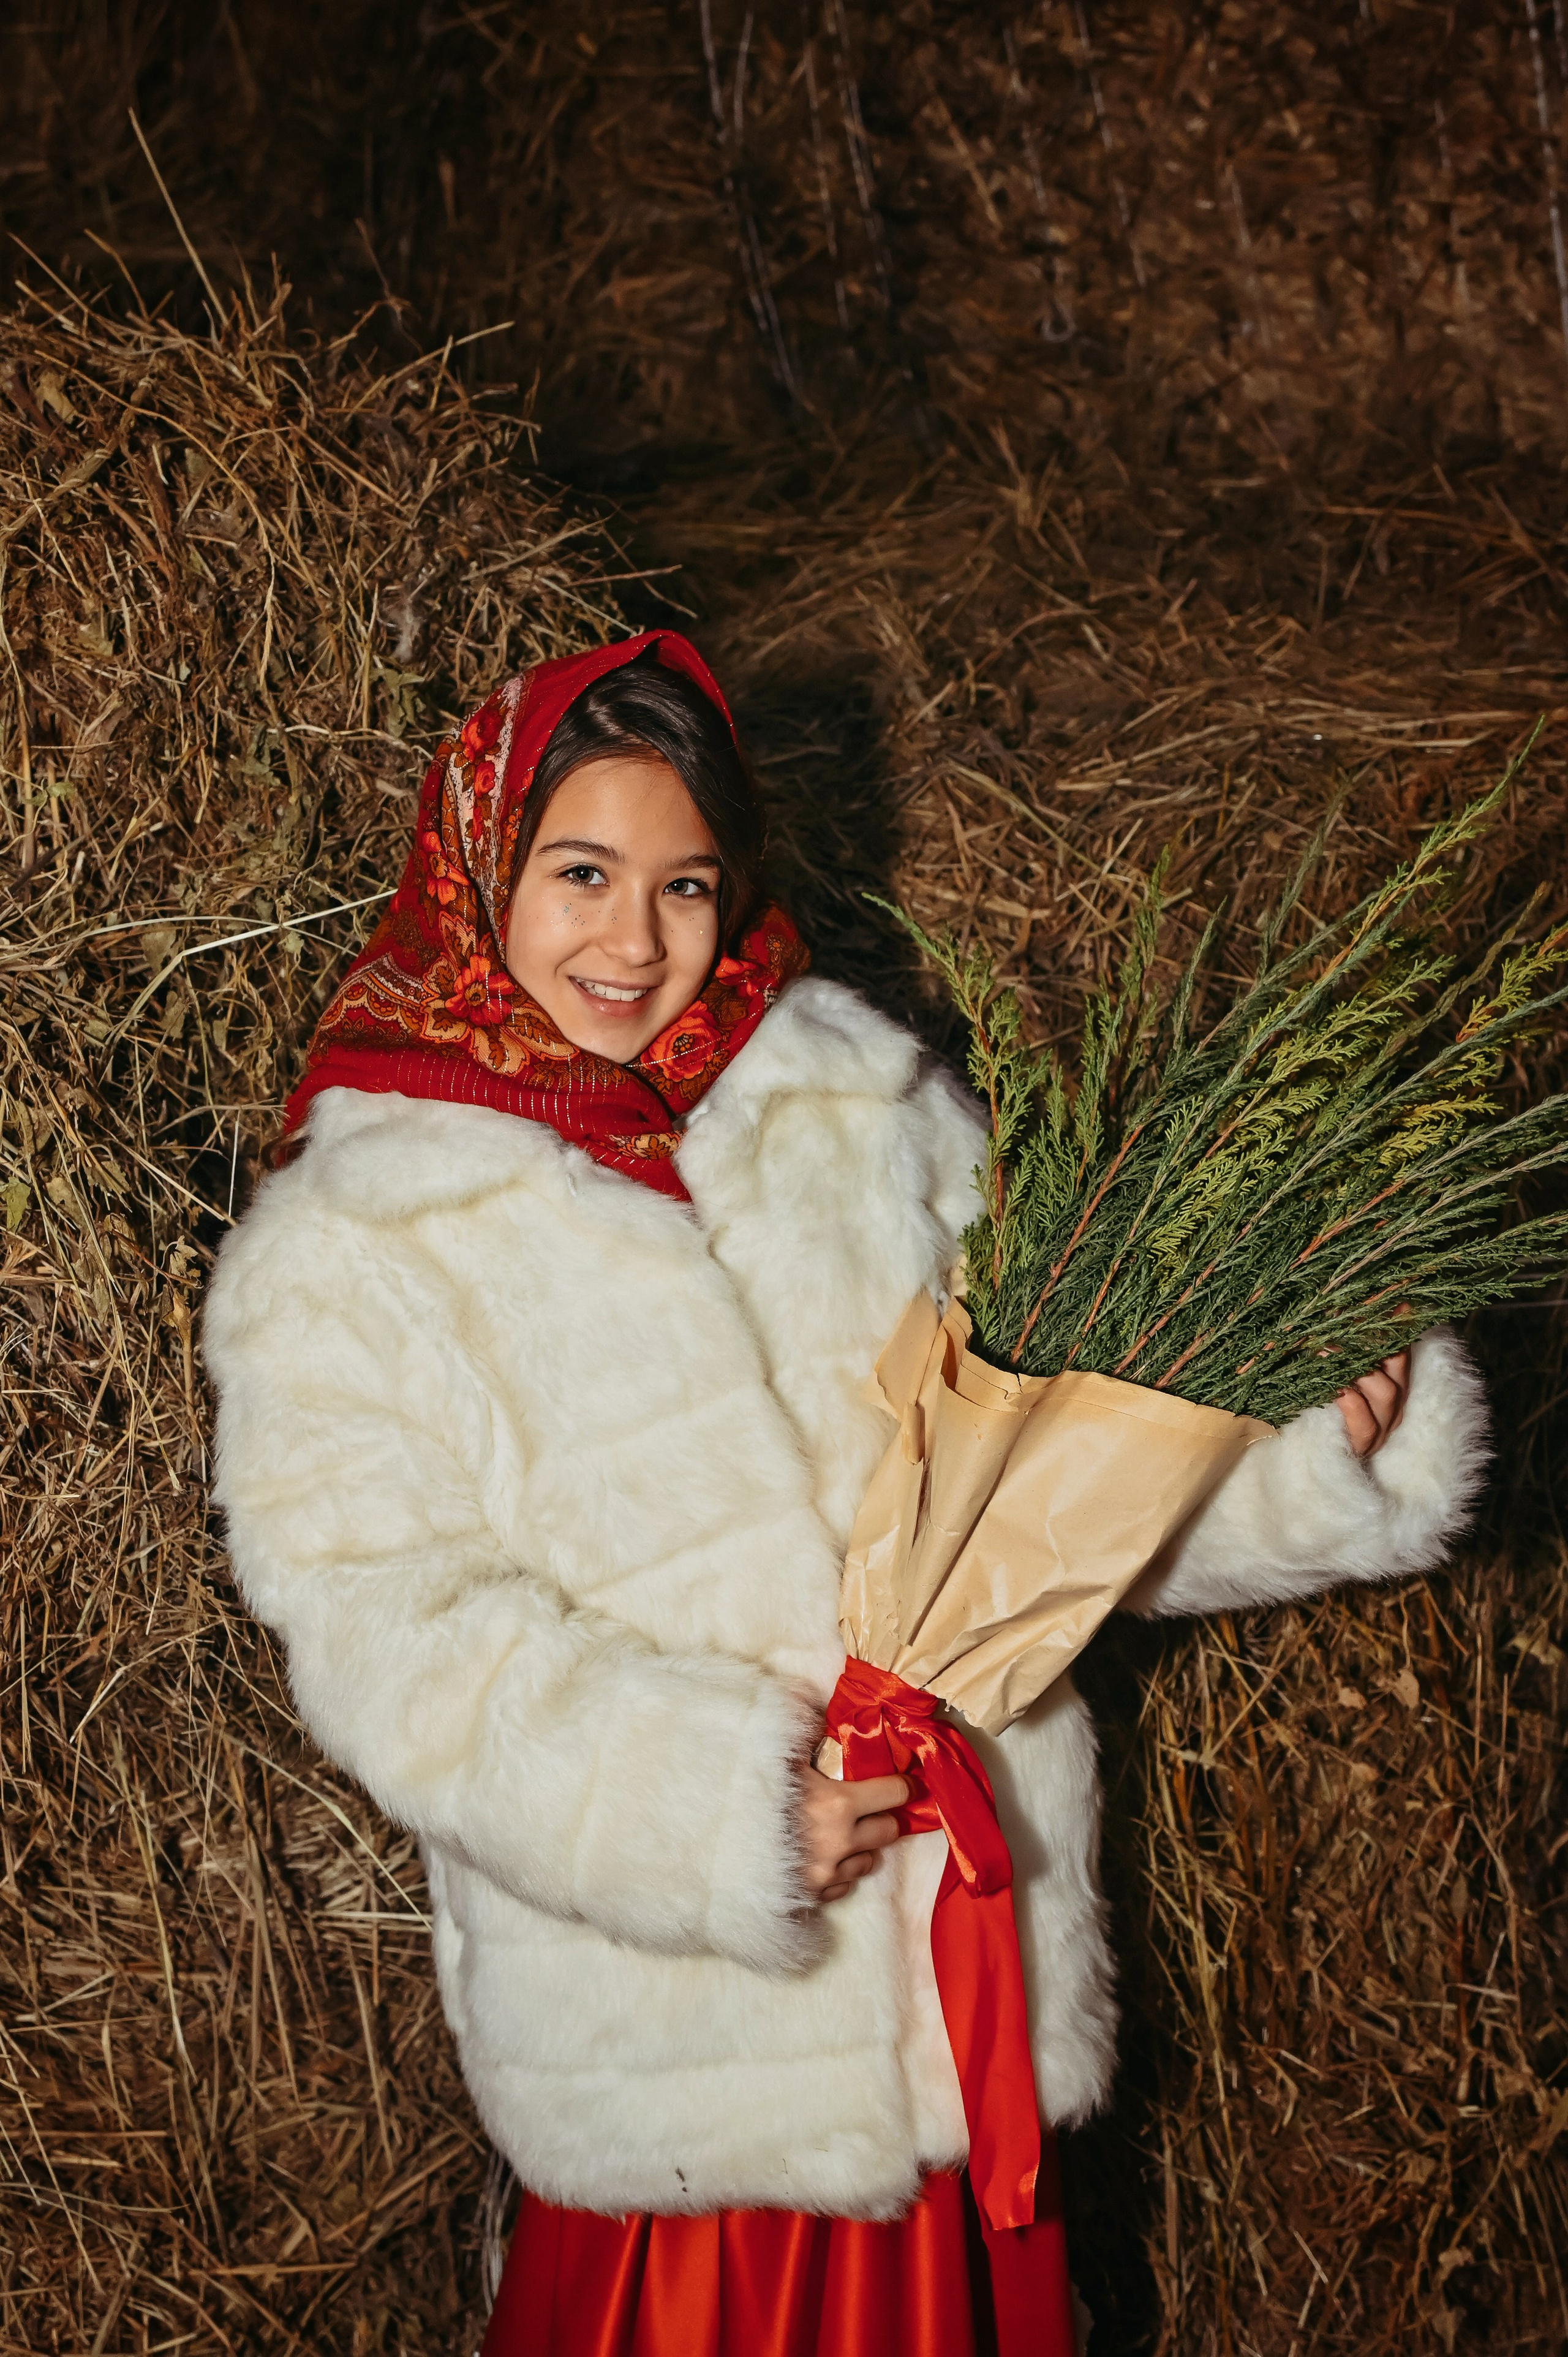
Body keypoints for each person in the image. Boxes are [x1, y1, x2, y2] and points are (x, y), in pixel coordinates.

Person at [204, 632, 1490, 2355]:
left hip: (955, 1987)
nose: (634, 941)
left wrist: (1306, 1439)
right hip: (694, 2048)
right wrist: (712, 1814)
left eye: (685, 885)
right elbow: (392, 1635)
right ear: (477, 864)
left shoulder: (856, 1109)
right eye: (580, 874)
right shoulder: (352, 1242)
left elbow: (1052, 1477)